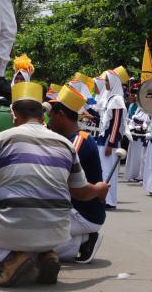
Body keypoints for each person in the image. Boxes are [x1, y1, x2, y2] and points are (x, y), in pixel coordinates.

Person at [0, 81, 109, 287]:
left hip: (15, 226)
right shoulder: (65, 144)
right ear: (41, 115)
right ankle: (44, 256)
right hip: (57, 233)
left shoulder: (1, 139)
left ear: (14, 116)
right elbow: (80, 192)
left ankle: (11, 261)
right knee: (34, 233)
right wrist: (98, 189)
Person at [47, 83, 105, 264]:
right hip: (70, 208)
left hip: (82, 213)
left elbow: (59, 179)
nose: (48, 122)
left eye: (51, 117)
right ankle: (80, 242)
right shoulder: (66, 139)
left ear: (60, 115)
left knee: (30, 242)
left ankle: (84, 238)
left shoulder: (79, 141)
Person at [96, 66, 128, 209]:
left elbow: (115, 123)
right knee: (103, 170)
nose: (106, 84)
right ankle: (104, 199)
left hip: (110, 140)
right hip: (105, 139)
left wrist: (111, 143)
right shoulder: (111, 98)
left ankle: (109, 200)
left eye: (108, 81)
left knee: (109, 171)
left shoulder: (117, 100)